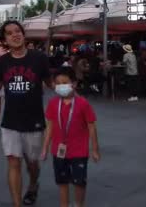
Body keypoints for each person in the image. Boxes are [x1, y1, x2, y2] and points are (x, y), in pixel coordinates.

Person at [0, 20, 52, 207]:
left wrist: (68, 94)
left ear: (23, 35)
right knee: (13, 162)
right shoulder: (1, 62)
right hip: (10, 122)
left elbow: (50, 83)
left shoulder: (39, 58)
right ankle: (17, 203)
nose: (15, 35)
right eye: (9, 33)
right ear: (5, 40)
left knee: (32, 163)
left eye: (17, 31)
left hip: (34, 121)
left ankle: (33, 183)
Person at [41, 68, 100, 207]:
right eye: (58, 83)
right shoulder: (53, 103)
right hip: (58, 150)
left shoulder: (83, 103)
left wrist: (95, 149)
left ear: (73, 84)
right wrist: (45, 148)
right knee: (62, 181)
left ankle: (78, 204)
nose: (61, 86)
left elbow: (92, 126)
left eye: (64, 82)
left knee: (79, 182)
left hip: (79, 150)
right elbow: (49, 126)